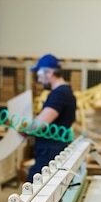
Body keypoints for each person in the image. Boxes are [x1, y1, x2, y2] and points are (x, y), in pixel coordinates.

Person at [26, 54, 77, 182]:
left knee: (32, 188)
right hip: (52, 150)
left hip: (50, 152)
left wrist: (26, 129)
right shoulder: (64, 92)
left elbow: (40, 124)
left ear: (49, 73)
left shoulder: (59, 94)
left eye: (39, 75)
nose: (39, 81)